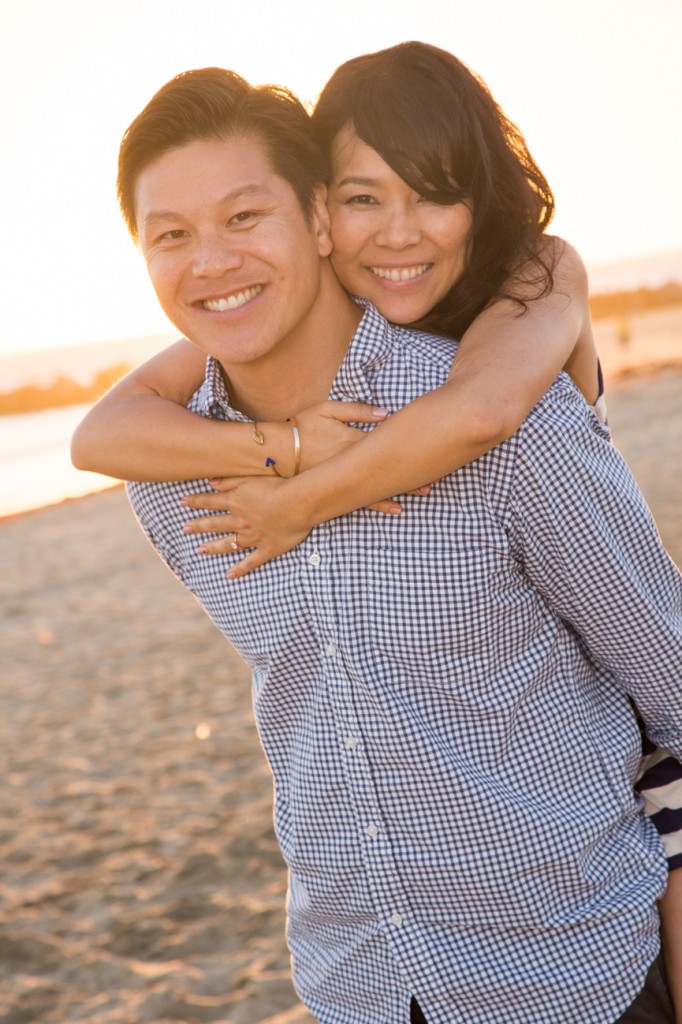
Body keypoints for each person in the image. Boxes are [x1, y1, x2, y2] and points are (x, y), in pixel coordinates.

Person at [72, 41, 682, 1010]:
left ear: (315, 220)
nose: (212, 262)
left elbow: (672, 679)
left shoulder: (511, 416)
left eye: (242, 217)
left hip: (571, 977)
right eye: (171, 235)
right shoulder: (170, 478)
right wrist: (274, 449)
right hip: (353, 981)